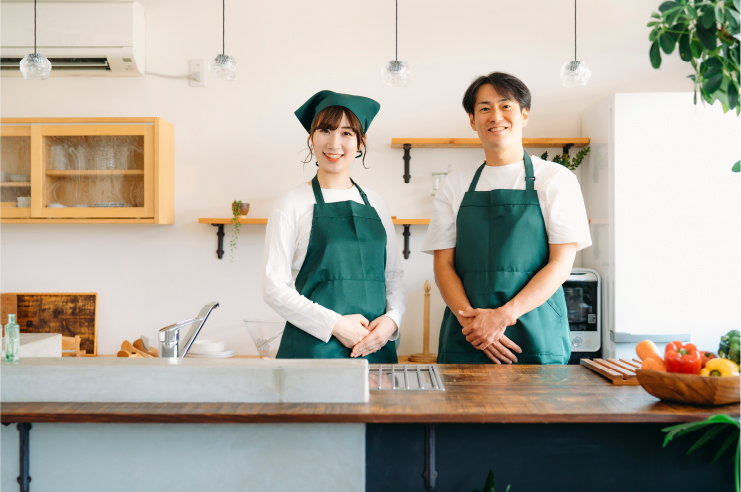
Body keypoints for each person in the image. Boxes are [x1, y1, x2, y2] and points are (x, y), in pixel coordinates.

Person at [421, 72, 591, 365]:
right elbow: (443, 265)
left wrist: (502, 317)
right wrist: (475, 325)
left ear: (524, 115)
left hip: (535, 334)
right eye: (484, 108)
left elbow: (561, 263)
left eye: (506, 106)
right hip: (467, 335)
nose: (495, 116)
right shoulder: (455, 184)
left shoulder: (556, 179)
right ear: (473, 121)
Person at [263, 90, 405, 362]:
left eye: (347, 133)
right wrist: (336, 325)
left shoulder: (376, 203)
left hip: (375, 347)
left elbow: (394, 276)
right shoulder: (290, 204)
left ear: (360, 141)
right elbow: (274, 288)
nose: (334, 143)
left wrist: (391, 322)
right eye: (325, 130)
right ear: (312, 137)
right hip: (313, 351)